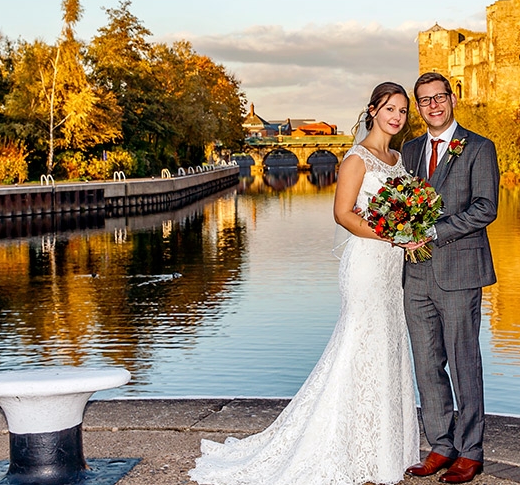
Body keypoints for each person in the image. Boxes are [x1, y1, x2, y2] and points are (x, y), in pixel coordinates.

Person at [189, 82, 419, 485]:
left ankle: (381, 449)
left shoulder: (398, 158)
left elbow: (401, 208)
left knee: (388, 344)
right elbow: (343, 215)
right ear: (372, 110)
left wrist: (410, 230)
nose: (397, 117)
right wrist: (393, 235)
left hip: (391, 267)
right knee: (359, 344)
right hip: (366, 265)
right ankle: (337, 445)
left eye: (402, 110)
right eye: (390, 109)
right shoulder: (355, 159)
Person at [400, 72, 499, 484]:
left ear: (453, 98)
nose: (433, 106)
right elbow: (399, 204)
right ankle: (440, 444)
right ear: (418, 108)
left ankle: (471, 450)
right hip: (415, 274)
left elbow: (485, 208)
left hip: (460, 271)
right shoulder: (407, 151)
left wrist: (433, 231)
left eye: (440, 97)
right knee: (426, 363)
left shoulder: (479, 147)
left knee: (463, 362)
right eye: (424, 101)